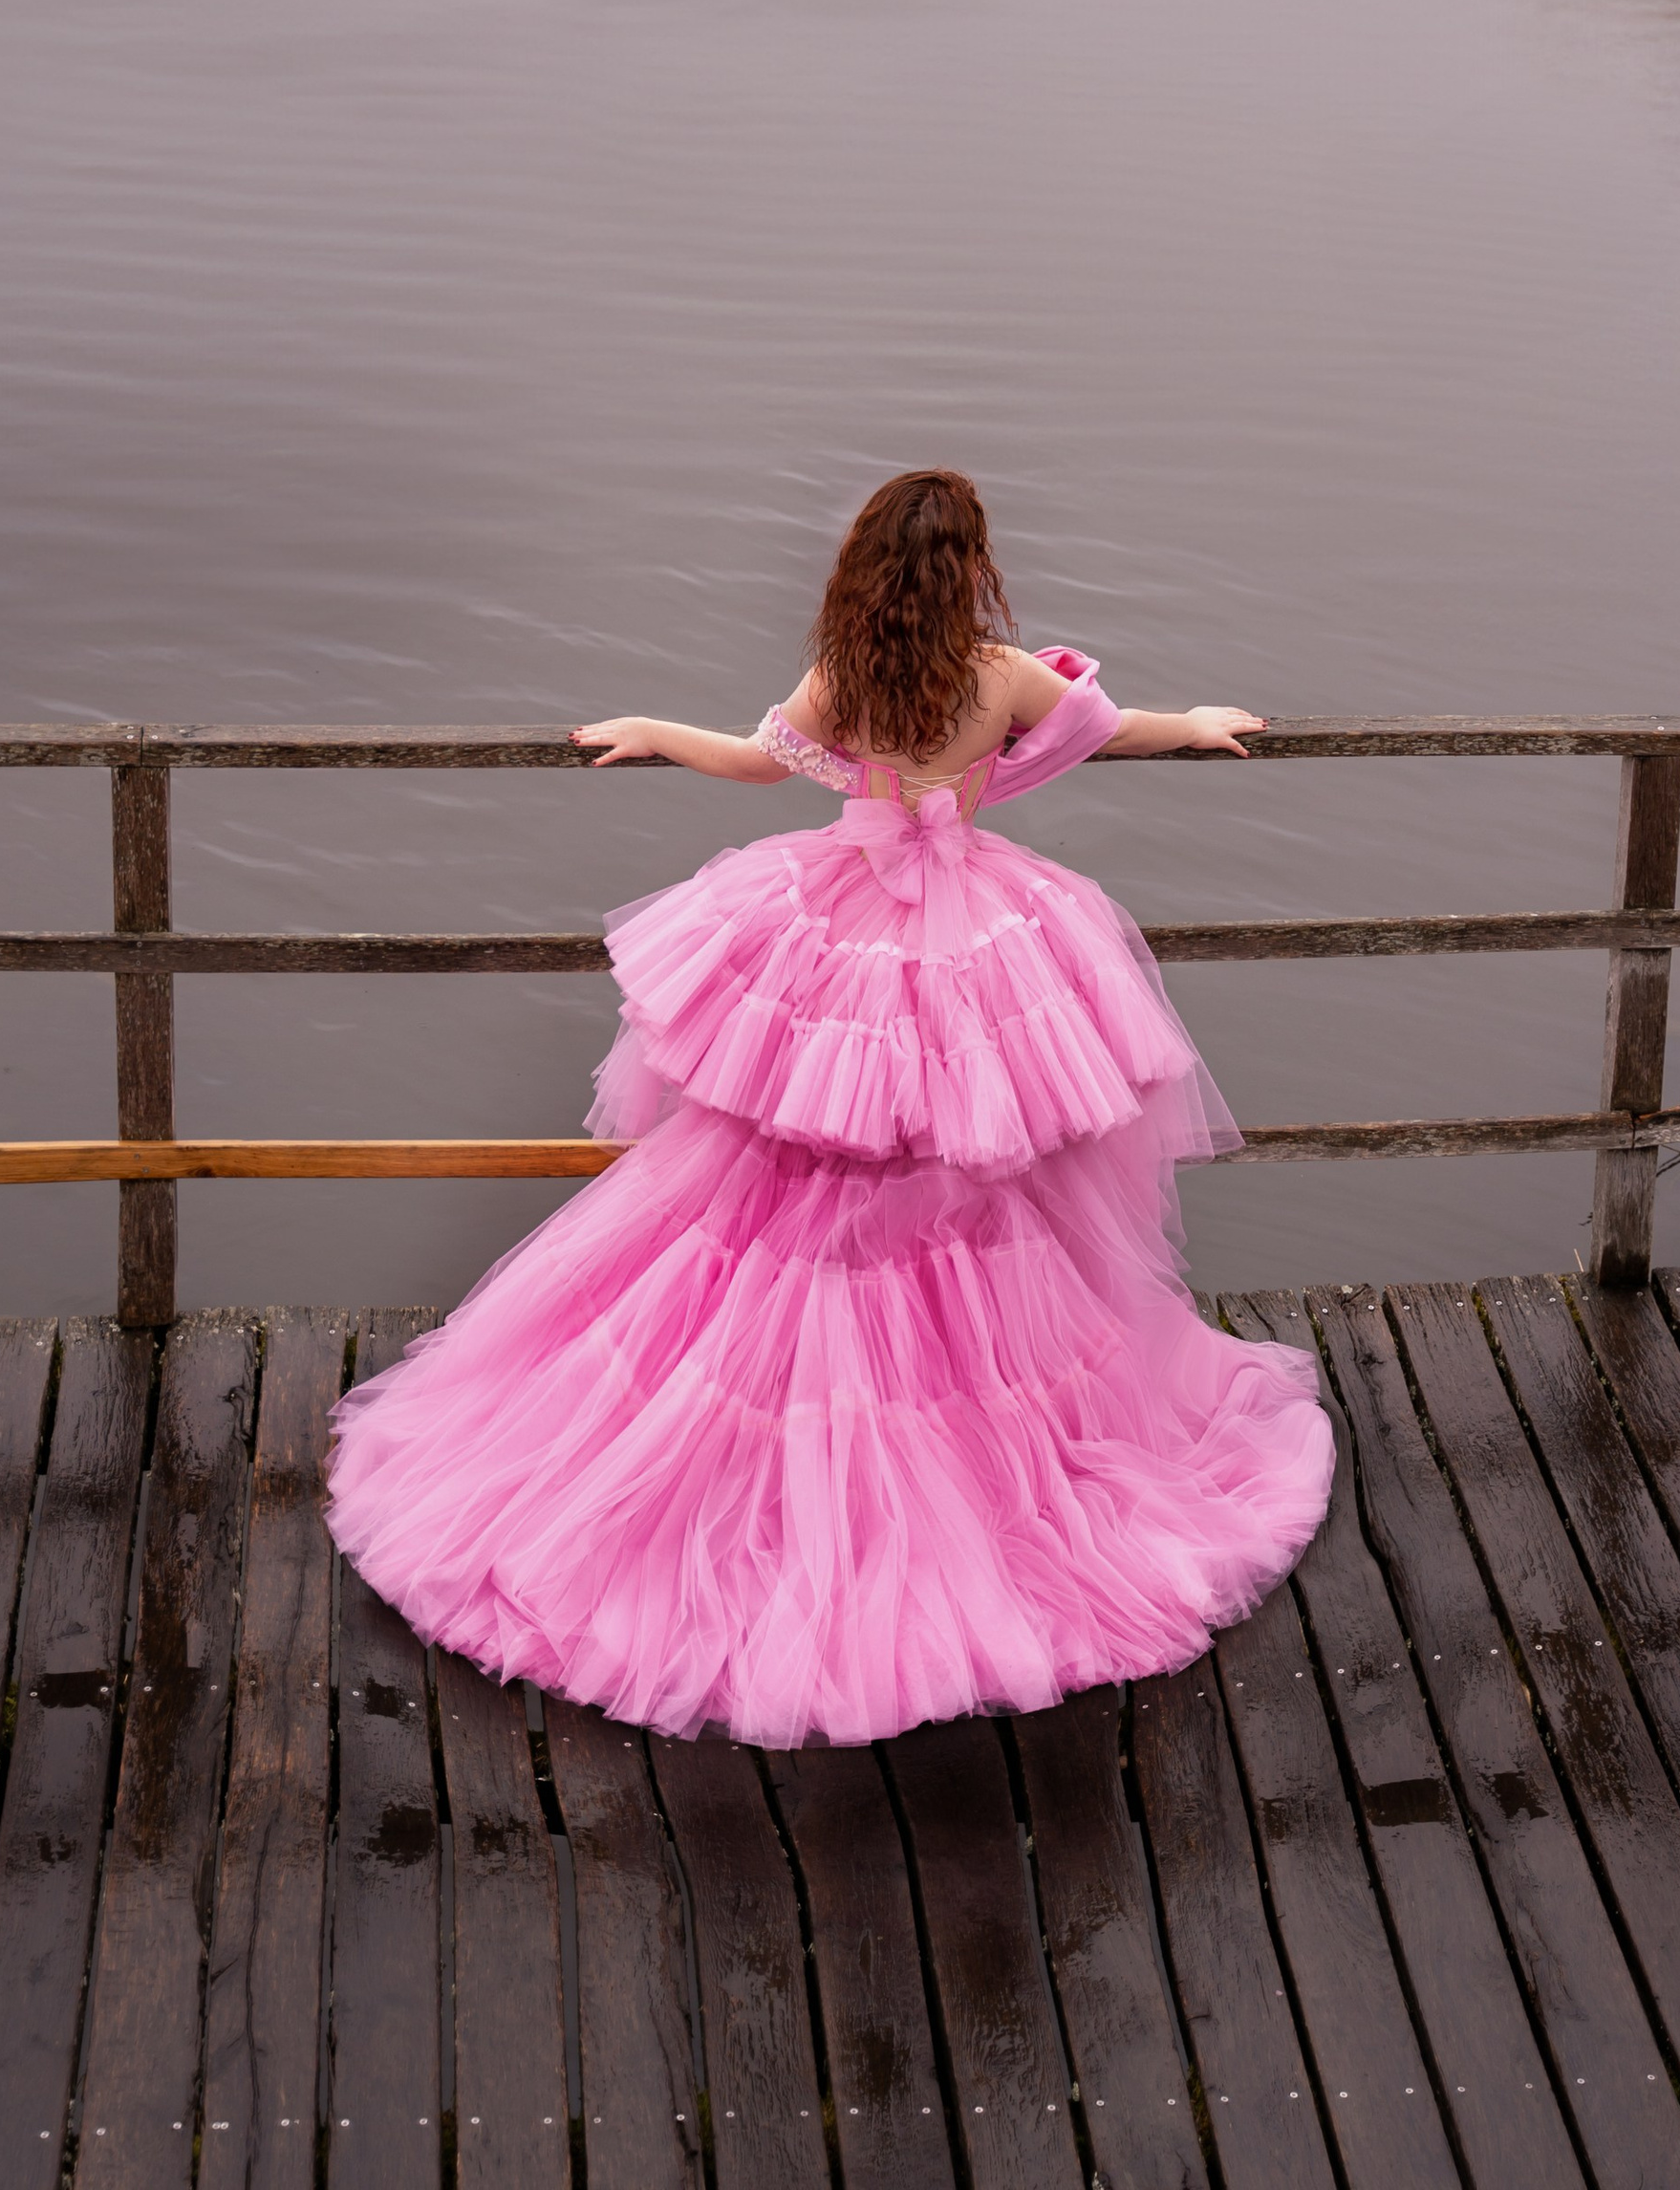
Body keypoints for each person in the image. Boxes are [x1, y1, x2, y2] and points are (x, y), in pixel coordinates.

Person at [323, 467, 1332, 1746]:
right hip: (973, 942)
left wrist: (652, 728)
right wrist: (1197, 723)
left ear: (864, 570)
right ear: (971, 570)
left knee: (786, 1162)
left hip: (839, 925)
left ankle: (796, 1370)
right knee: (960, 1169)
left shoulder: (845, 678)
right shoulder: (1001, 676)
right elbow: (1105, 724)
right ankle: (953, 1396)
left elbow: (756, 763)